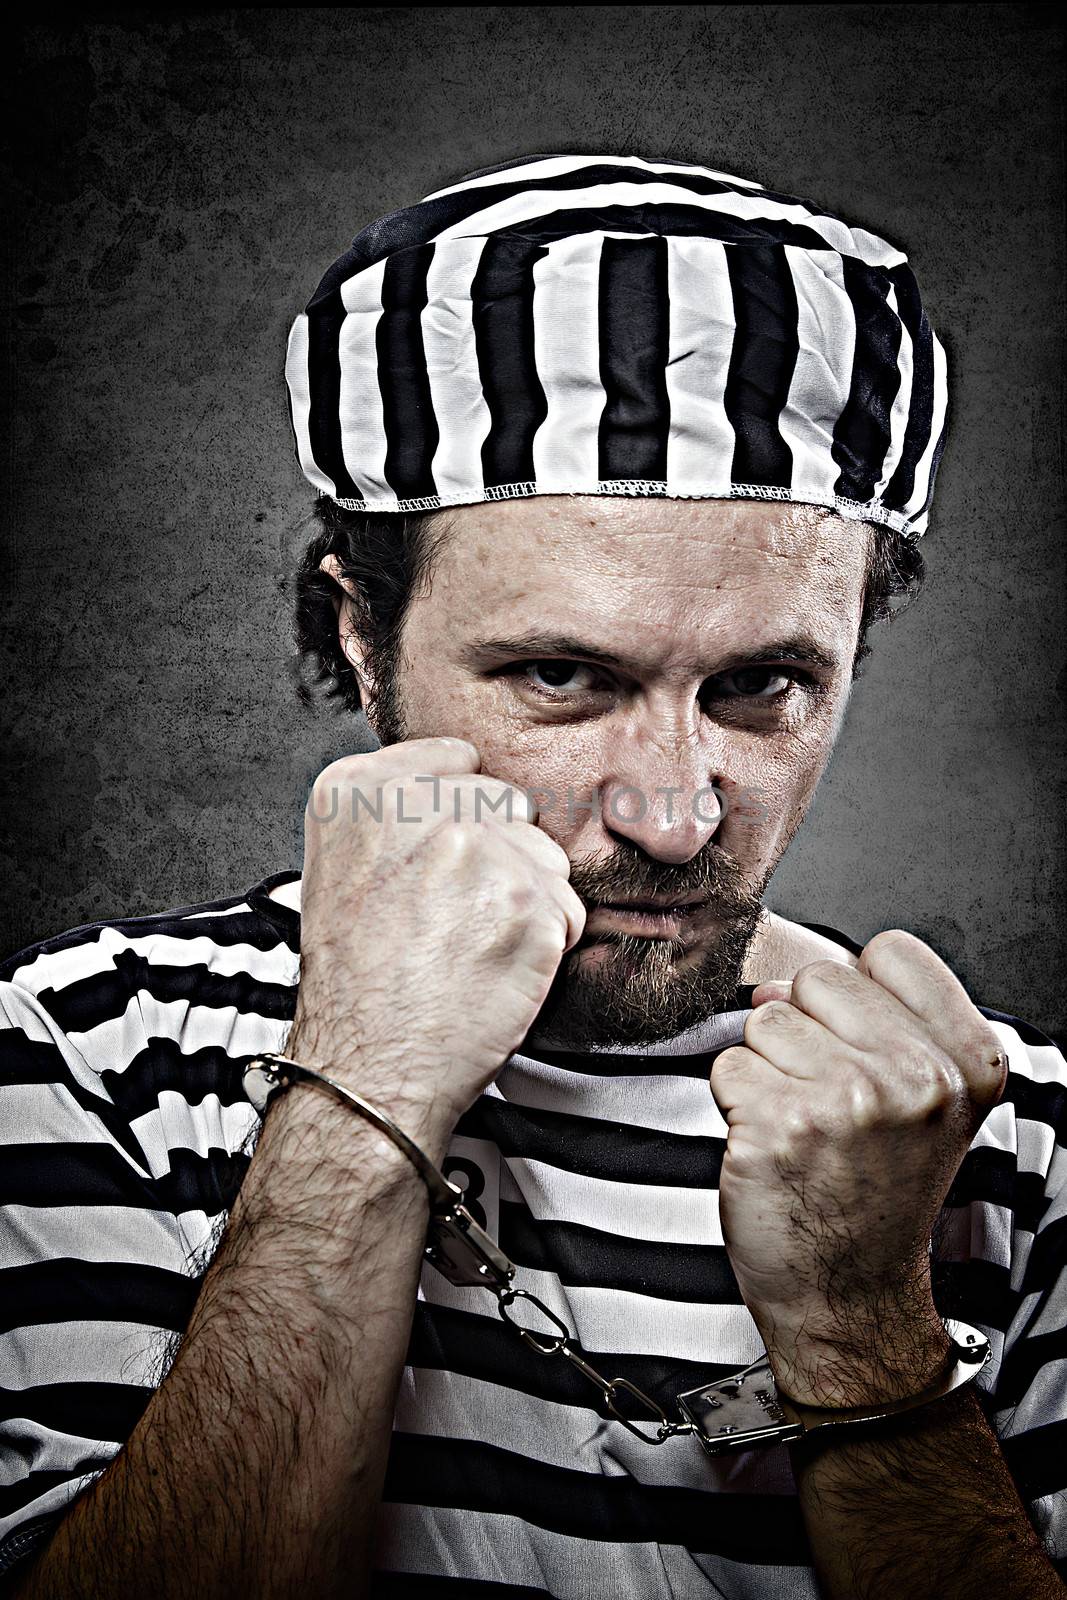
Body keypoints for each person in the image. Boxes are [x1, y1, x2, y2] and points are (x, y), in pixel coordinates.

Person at [0, 153, 1064, 1600]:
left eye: (762, 685)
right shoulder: (88, 1051)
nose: (677, 814)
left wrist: (866, 1326)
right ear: (362, 633)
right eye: (562, 675)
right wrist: (360, 1103)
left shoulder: (1010, 1140)